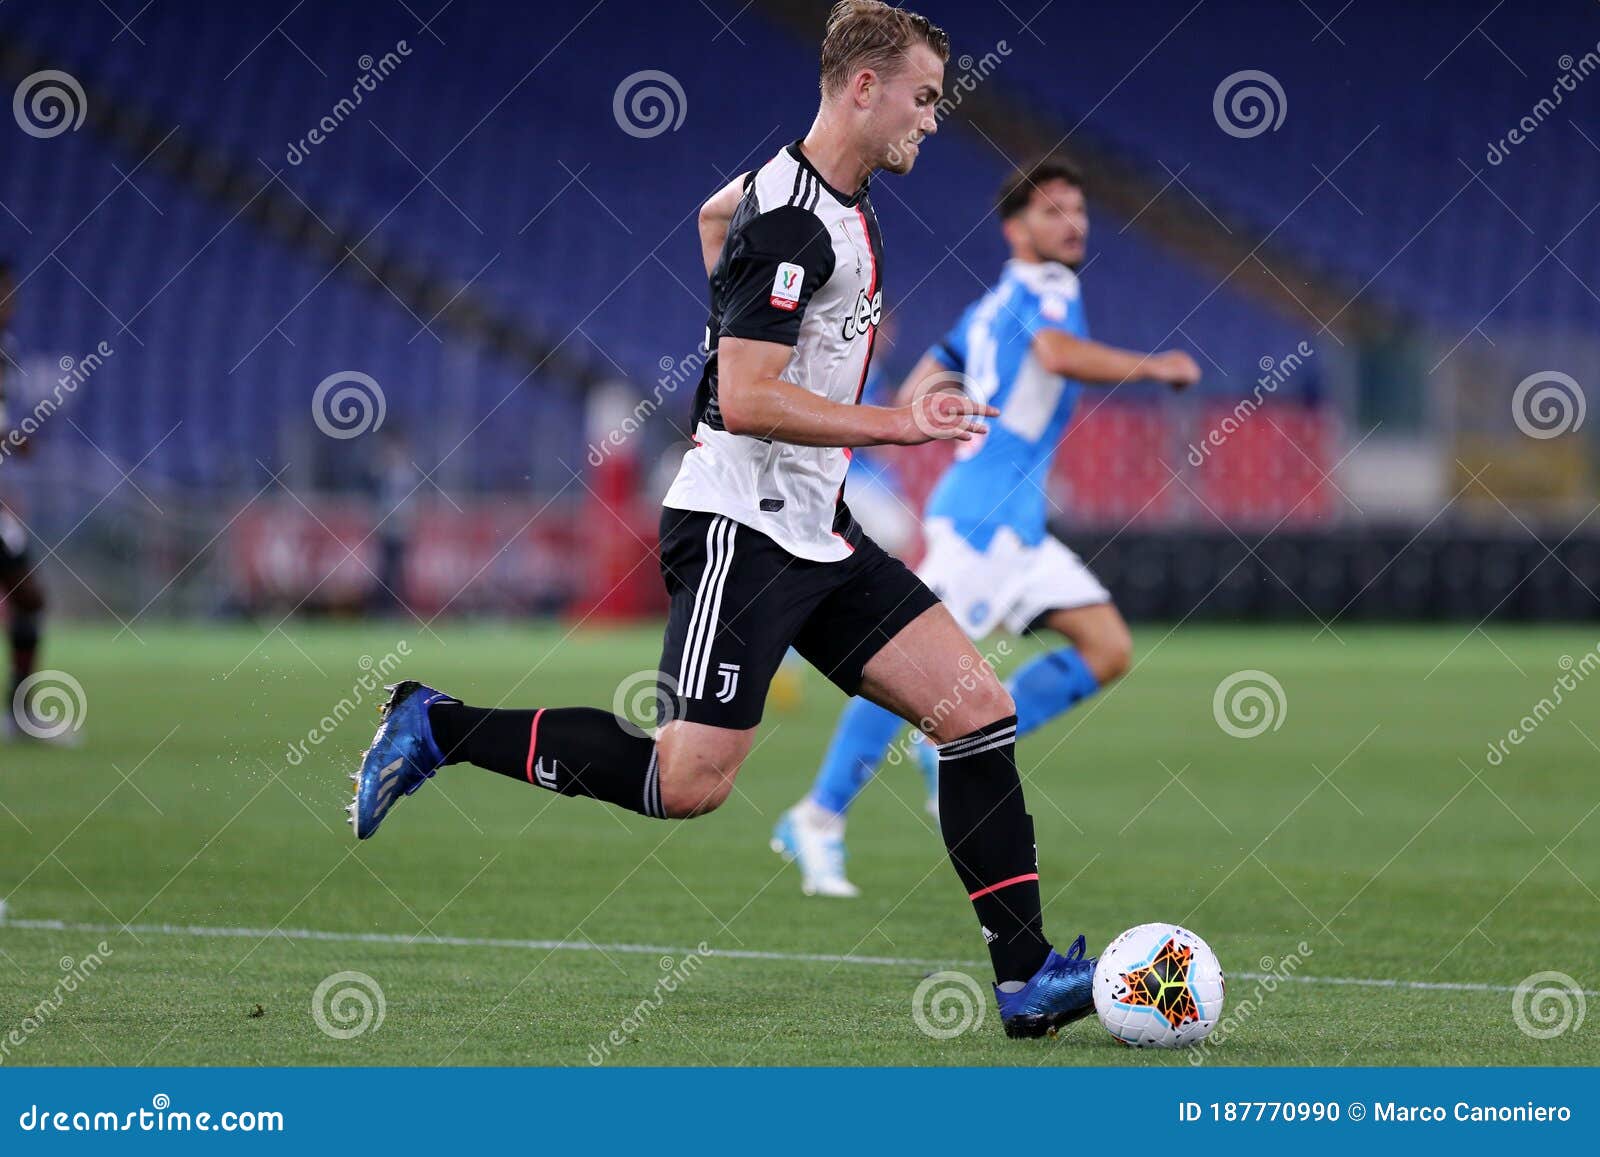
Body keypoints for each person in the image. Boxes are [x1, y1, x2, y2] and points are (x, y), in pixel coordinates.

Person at [350, 0, 1100, 1036]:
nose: (934, 119)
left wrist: (743, 312)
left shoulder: (801, 195)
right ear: (863, 88)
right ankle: (437, 723)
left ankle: (1025, 979)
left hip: (816, 529)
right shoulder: (794, 222)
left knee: (976, 709)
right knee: (688, 781)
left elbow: (714, 218)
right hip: (740, 532)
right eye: (924, 98)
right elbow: (744, 397)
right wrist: (892, 422)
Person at [772, 159, 1200, 897]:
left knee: (1107, 645)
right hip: (982, 523)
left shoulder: (992, 304)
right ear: (1016, 228)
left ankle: (944, 757)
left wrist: (947, 412)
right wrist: (1156, 367)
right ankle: (817, 814)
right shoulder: (1046, 289)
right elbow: (1059, 354)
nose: (1072, 222)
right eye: (1053, 210)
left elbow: (920, 383)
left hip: (1015, 524)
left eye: (1078, 209)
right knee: (900, 673)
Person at [0, 256, 53, 743]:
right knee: (30, 597)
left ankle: (20, 715)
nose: (9, 303)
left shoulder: (6, 349)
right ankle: (21, 716)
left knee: (30, 597)